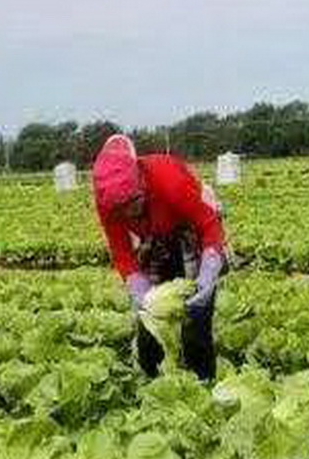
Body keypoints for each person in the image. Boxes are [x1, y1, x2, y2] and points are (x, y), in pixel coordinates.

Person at [92, 133, 226, 380]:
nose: (129, 211)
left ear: (141, 184)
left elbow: (208, 225)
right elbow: (121, 252)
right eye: (122, 209)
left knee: (196, 319)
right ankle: (154, 386)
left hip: (191, 230)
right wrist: (140, 289)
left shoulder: (168, 179)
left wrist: (208, 271)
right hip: (155, 238)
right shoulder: (108, 203)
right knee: (150, 324)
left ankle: (204, 382)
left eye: (134, 202)